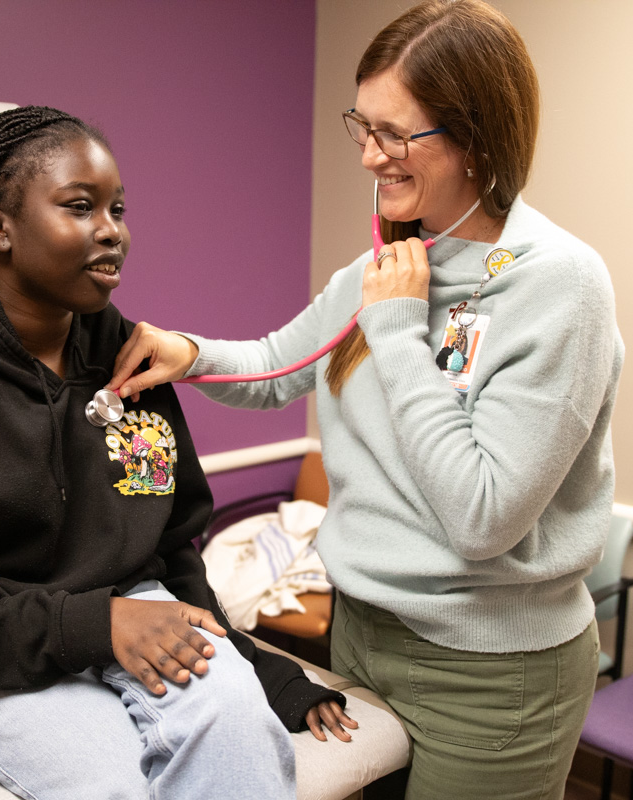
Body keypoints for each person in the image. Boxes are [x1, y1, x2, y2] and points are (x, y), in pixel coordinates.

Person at [106, 2, 625, 798]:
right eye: (363, 126)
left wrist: (395, 330)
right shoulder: (383, 267)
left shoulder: (559, 285)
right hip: (359, 637)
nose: (369, 157)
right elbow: (283, 364)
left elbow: (484, 517)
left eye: (396, 135)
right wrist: (189, 354)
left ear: (477, 137)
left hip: (490, 677)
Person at [0, 105, 358, 800]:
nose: (112, 231)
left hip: (137, 610)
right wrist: (96, 624)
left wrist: (263, 671)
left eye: (117, 208)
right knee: (118, 787)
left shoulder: (130, 360)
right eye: (80, 208)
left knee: (245, 739)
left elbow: (174, 549)